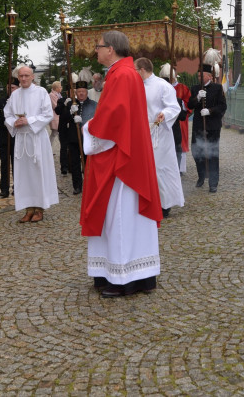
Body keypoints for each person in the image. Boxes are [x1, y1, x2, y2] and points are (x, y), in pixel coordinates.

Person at [81, 30, 161, 298]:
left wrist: (88, 128)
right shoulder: (124, 72)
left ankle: (125, 276)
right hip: (127, 154)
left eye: (98, 46)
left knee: (121, 216)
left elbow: (113, 120)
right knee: (121, 216)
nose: (96, 50)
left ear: (111, 49)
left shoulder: (122, 75)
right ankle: (119, 272)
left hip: (122, 162)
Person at [4, 65, 59, 223]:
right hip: (21, 139)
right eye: (21, 76)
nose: (23, 79)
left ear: (33, 76)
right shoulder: (15, 95)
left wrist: (29, 120)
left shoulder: (41, 92)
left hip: (37, 139)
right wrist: (14, 122)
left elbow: (48, 114)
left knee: (38, 173)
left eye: (26, 75)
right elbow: (7, 114)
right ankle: (28, 209)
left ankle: (39, 209)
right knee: (24, 175)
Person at [137, 58, 183, 217]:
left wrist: (165, 114)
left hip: (159, 132)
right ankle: (147, 202)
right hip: (141, 132)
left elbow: (174, 107)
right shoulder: (136, 86)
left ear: (142, 69)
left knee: (160, 168)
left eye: (136, 70)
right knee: (143, 169)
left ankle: (165, 204)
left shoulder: (163, 86)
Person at [188, 52, 227, 193]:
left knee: (212, 153)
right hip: (199, 126)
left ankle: (213, 182)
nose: (199, 77)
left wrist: (209, 111)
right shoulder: (195, 88)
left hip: (213, 126)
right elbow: (190, 105)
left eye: (201, 75)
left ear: (209, 76)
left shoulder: (217, 88)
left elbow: (223, 106)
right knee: (197, 152)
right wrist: (197, 98)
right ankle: (201, 176)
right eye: (198, 75)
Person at [55, 76, 96, 195]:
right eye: (79, 92)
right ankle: (77, 185)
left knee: (89, 163)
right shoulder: (71, 103)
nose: (81, 94)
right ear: (76, 93)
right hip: (74, 138)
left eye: (83, 91)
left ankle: (90, 184)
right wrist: (70, 112)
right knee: (75, 164)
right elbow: (63, 118)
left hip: (88, 139)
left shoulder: (93, 104)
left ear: (87, 92)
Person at [0, 79, 19, 198]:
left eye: (12, 88)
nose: (10, 90)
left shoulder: (21, 102)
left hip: (17, 137)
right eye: (8, 88)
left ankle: (17, 187)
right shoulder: (1, 102)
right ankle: (4, 188)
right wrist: (6, 122)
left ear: (17, 88)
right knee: (4, 164)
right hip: (3, 137)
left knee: (17, 164)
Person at [160, 64, 190, 174]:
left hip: (177, 125)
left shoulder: (182, 88)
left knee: (177, 148)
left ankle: (178, 169)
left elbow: (186, 109)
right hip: (165, 128)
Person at [49, 80, 63, 147]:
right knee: (55, 133)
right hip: (55, 116)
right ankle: (48, 147)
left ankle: (63, 147)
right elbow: (55, 105)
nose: (61, 88)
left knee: (57, 133)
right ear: (56, 88)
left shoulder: (59, 95)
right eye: (60, 87)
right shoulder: (52, 95)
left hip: (58, 116)